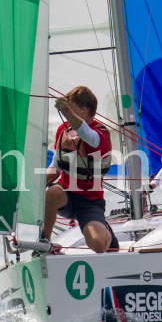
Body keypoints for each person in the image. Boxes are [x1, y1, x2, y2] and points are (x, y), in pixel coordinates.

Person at [43, 86, 119, 253]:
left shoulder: (100, 134)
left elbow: (87, 134)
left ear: (84, 109)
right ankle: (44, 243)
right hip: (67, 196)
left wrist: (67, 113)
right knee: (51, 193)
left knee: (99, 246)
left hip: (90, 202)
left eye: (71, 108)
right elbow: (55, 168)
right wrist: (36, 184)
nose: (66, 112)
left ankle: (107, 233)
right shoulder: (63, 131)